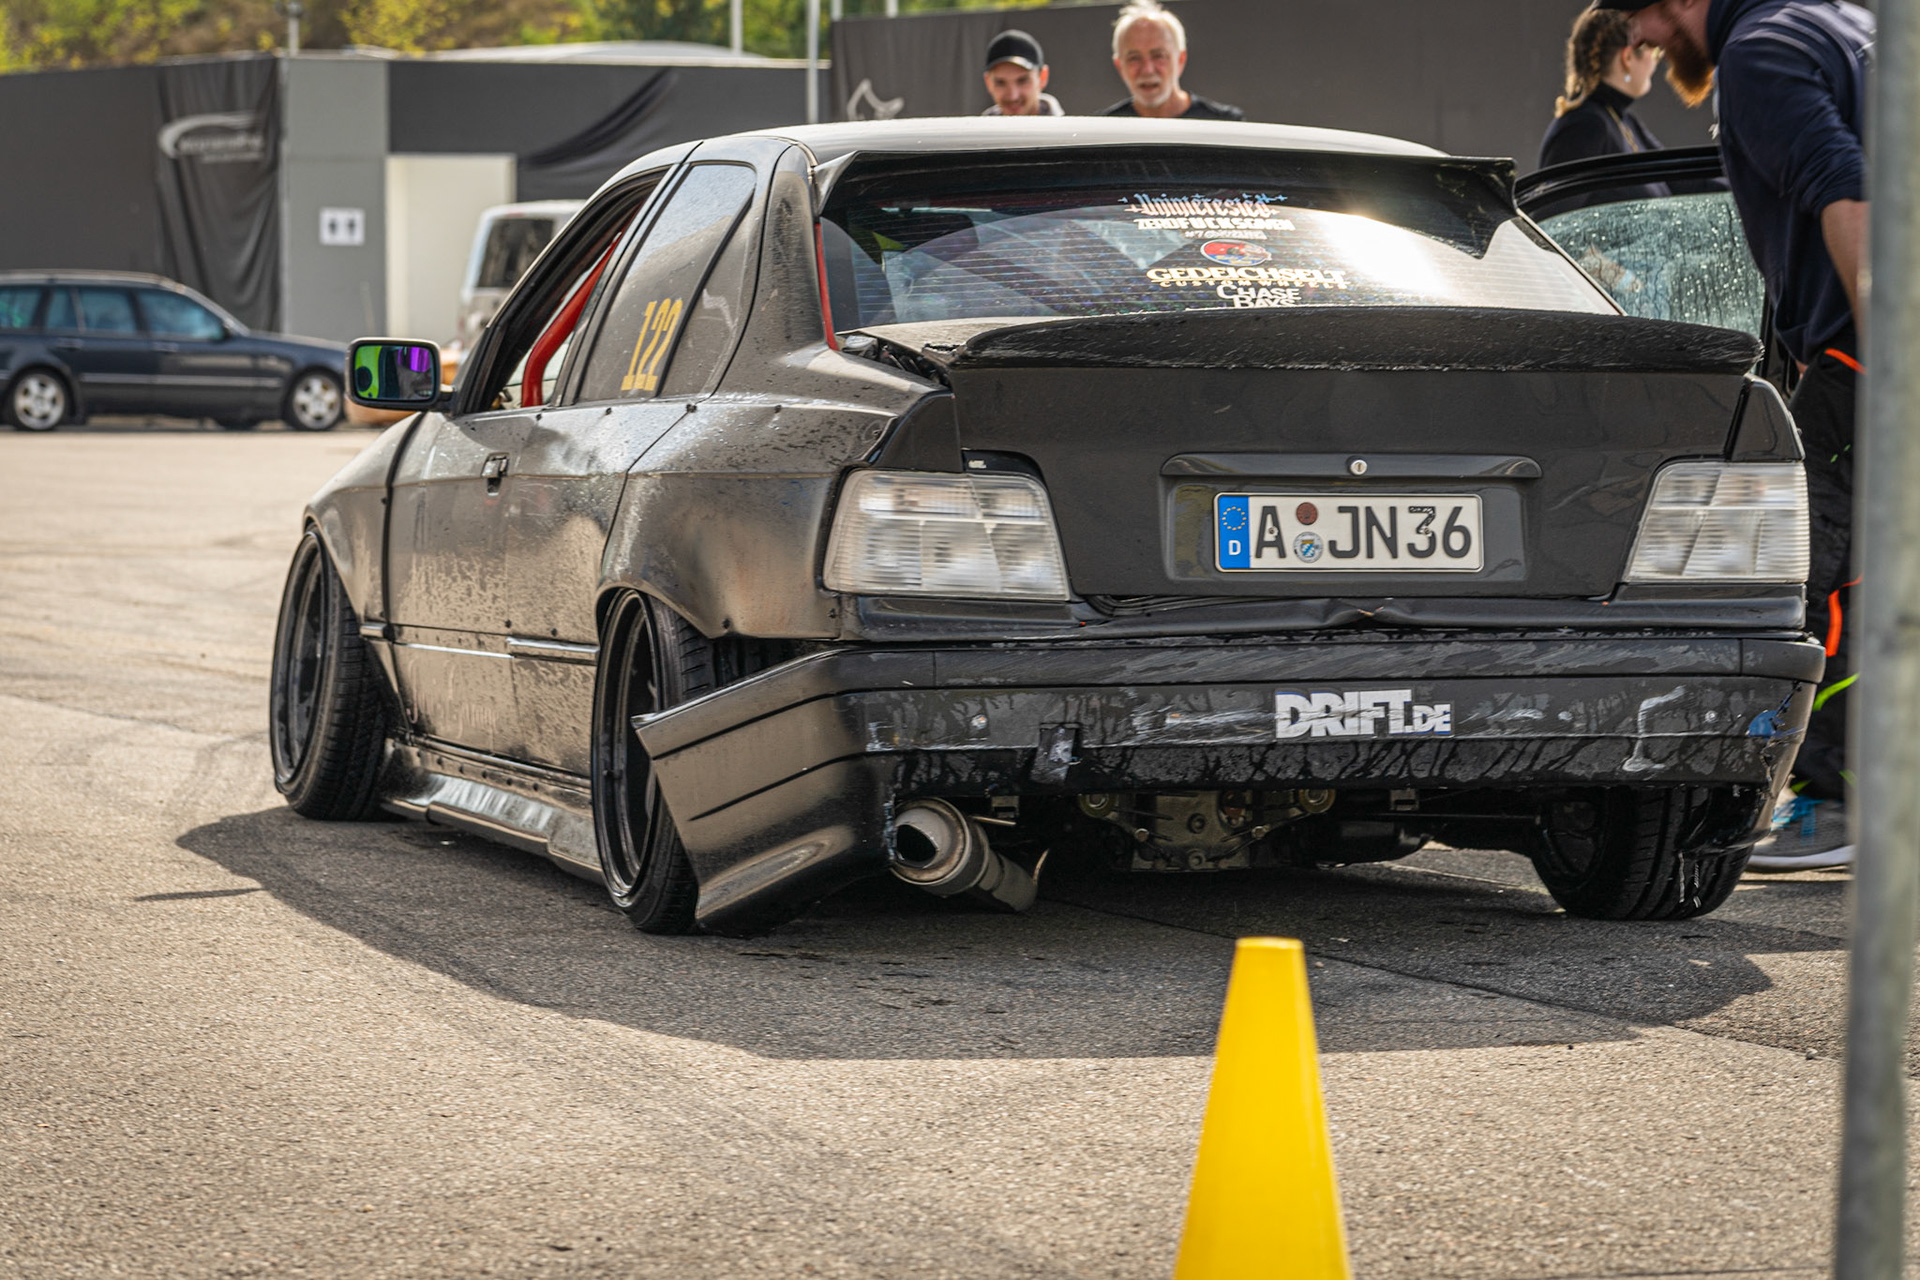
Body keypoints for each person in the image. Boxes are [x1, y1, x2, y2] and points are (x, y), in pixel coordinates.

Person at [1601, 0, 1870, 870]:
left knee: (1817, 570)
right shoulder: (1848, 23)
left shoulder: (1758, 51)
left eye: (1641, 14)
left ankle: (1835, 802)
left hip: (1866, 352)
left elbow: (1842, 184)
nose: (1642, 39)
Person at [1539, 8, 1667, 170]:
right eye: (1655, 52)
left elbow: (1676, 176)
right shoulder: (1585, 126)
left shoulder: (1623, 121)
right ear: (1627, 57)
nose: (1656, 62)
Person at [1101, 0, 1243, 121]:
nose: (1147, 70)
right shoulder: (1103, 130)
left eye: (1158, 56)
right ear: (1119, 66)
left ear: (1180, 59)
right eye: (1134, 58)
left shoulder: (1225, 125)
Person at [981, 29, 1063, 117]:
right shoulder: (978, 125)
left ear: (1043, 77)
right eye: (1000, 83)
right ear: (988, 83)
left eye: (1022, 81)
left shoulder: (1071, 126)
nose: (1013, 96)